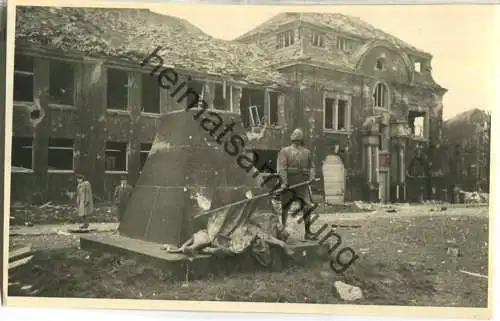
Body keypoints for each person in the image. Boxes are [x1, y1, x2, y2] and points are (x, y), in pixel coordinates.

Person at [277, 128, 316, 240]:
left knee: (307, 207)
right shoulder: (285, 151)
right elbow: (282, 168)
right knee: (285, 207)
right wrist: (284, 183)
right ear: (291, 137)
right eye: (294, 134)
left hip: (303, 184)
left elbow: (312, 166)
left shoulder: (307, 152)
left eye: (298, 135)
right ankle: (282, 232)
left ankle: (308, 233)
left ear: (301, 138)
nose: (296, 136)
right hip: (289, 184)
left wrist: (312, 176)